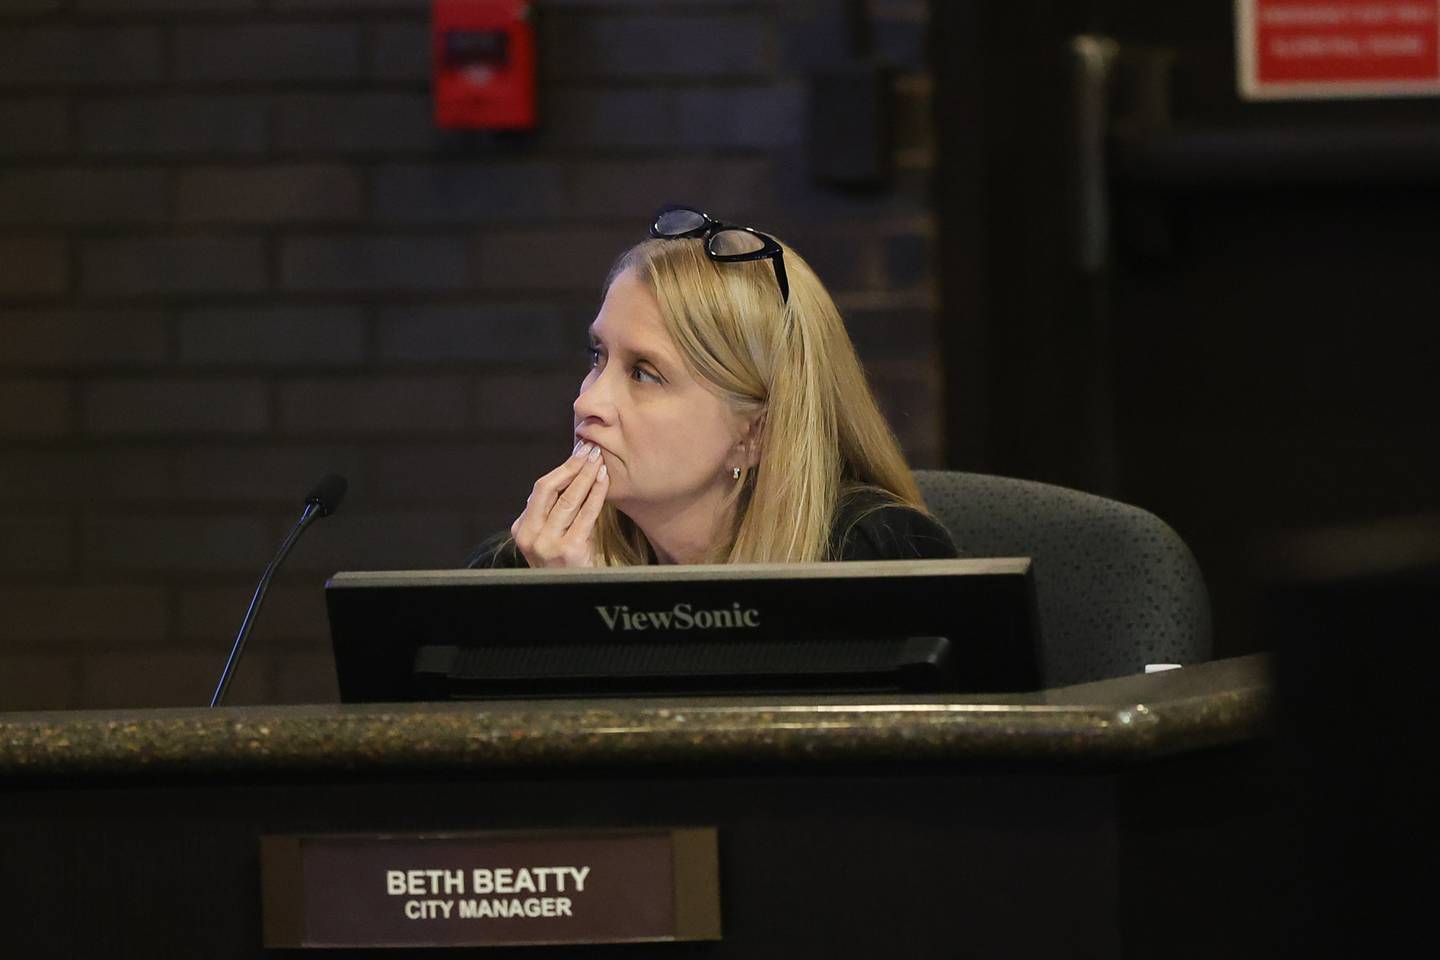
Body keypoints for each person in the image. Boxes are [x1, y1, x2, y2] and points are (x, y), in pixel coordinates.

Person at [467, 205, 957, 569]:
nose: (587, 402)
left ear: (756, 433)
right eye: (599, 357)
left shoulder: (876, 559)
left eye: (644, 373)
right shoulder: (526, 568)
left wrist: (596, 619)